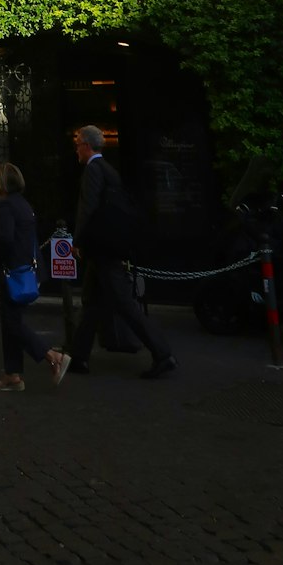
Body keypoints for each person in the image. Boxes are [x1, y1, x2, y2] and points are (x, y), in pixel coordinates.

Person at [70, 125, 178, 379]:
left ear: (86, 145)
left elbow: (89, 208)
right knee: (91, 302)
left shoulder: (93, 171)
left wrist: (79, 241)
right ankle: (78, 357)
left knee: (124, 304)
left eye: (77, 143)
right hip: (109, 247)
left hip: (101, 249)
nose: (75, 148)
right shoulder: (110, 171)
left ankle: (162, 353)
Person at [0, 161, 70, 391]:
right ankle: (12, 374)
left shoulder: (6, 207)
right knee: (11, 322)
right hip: (26, 271)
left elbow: (5, 239)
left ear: (3, 183)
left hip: (12, 273)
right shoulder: (23, 205)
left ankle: (52, 355)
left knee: (12, 323)